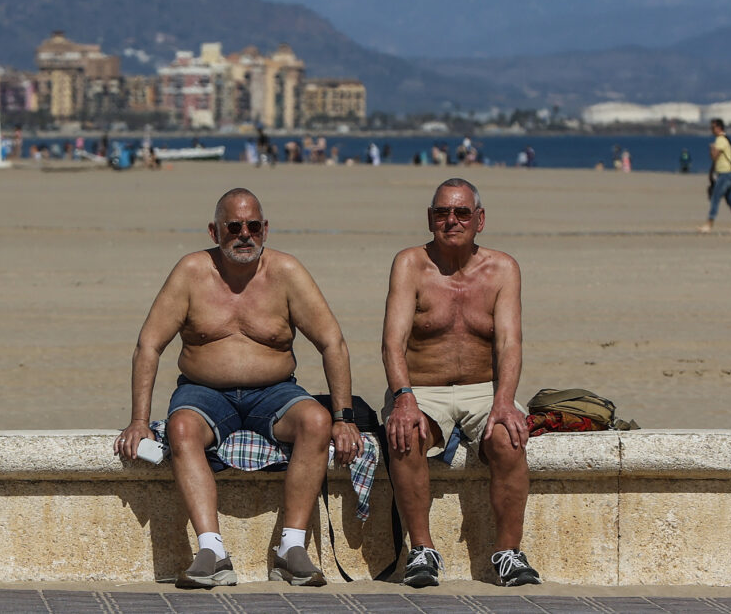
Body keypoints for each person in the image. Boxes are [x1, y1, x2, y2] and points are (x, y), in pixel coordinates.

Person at [114, 188, 362, 588]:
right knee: (180, 429)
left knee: (316, 421)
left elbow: (333, 342)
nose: (244, 234)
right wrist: (139, 421)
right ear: (215, 231)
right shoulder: (191, 272)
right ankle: (212, 550)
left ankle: (291, 548)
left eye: (252, 226)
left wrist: (344, 418)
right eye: (234, 226)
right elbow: (149, 344)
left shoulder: (287, 272)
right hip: (203, 391)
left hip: (275, 391)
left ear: (265, 229)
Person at [381, 178, 541, 588]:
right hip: (422, 387)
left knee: (509, 439)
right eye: (441, 213)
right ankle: (421, 551)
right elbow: (392, 343)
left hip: (483, 388)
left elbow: (509, 343)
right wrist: (403, 398)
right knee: (404, 435)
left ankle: (508, 553)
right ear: (430, 218)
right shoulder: (410, 264)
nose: (451, 221)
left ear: (480, 219)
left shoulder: (503, 268)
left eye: (461, 213)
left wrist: (504, 401)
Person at [699, 118, 731, 234]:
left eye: (713, 128)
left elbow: (714, 157)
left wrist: (712, 148)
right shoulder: (725, 139)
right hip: (729, 173)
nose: (711, 130)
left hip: (725, 174)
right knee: (730, 199)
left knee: (715, 197)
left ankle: (709, 223)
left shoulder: (720, 140)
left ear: (719, 128)